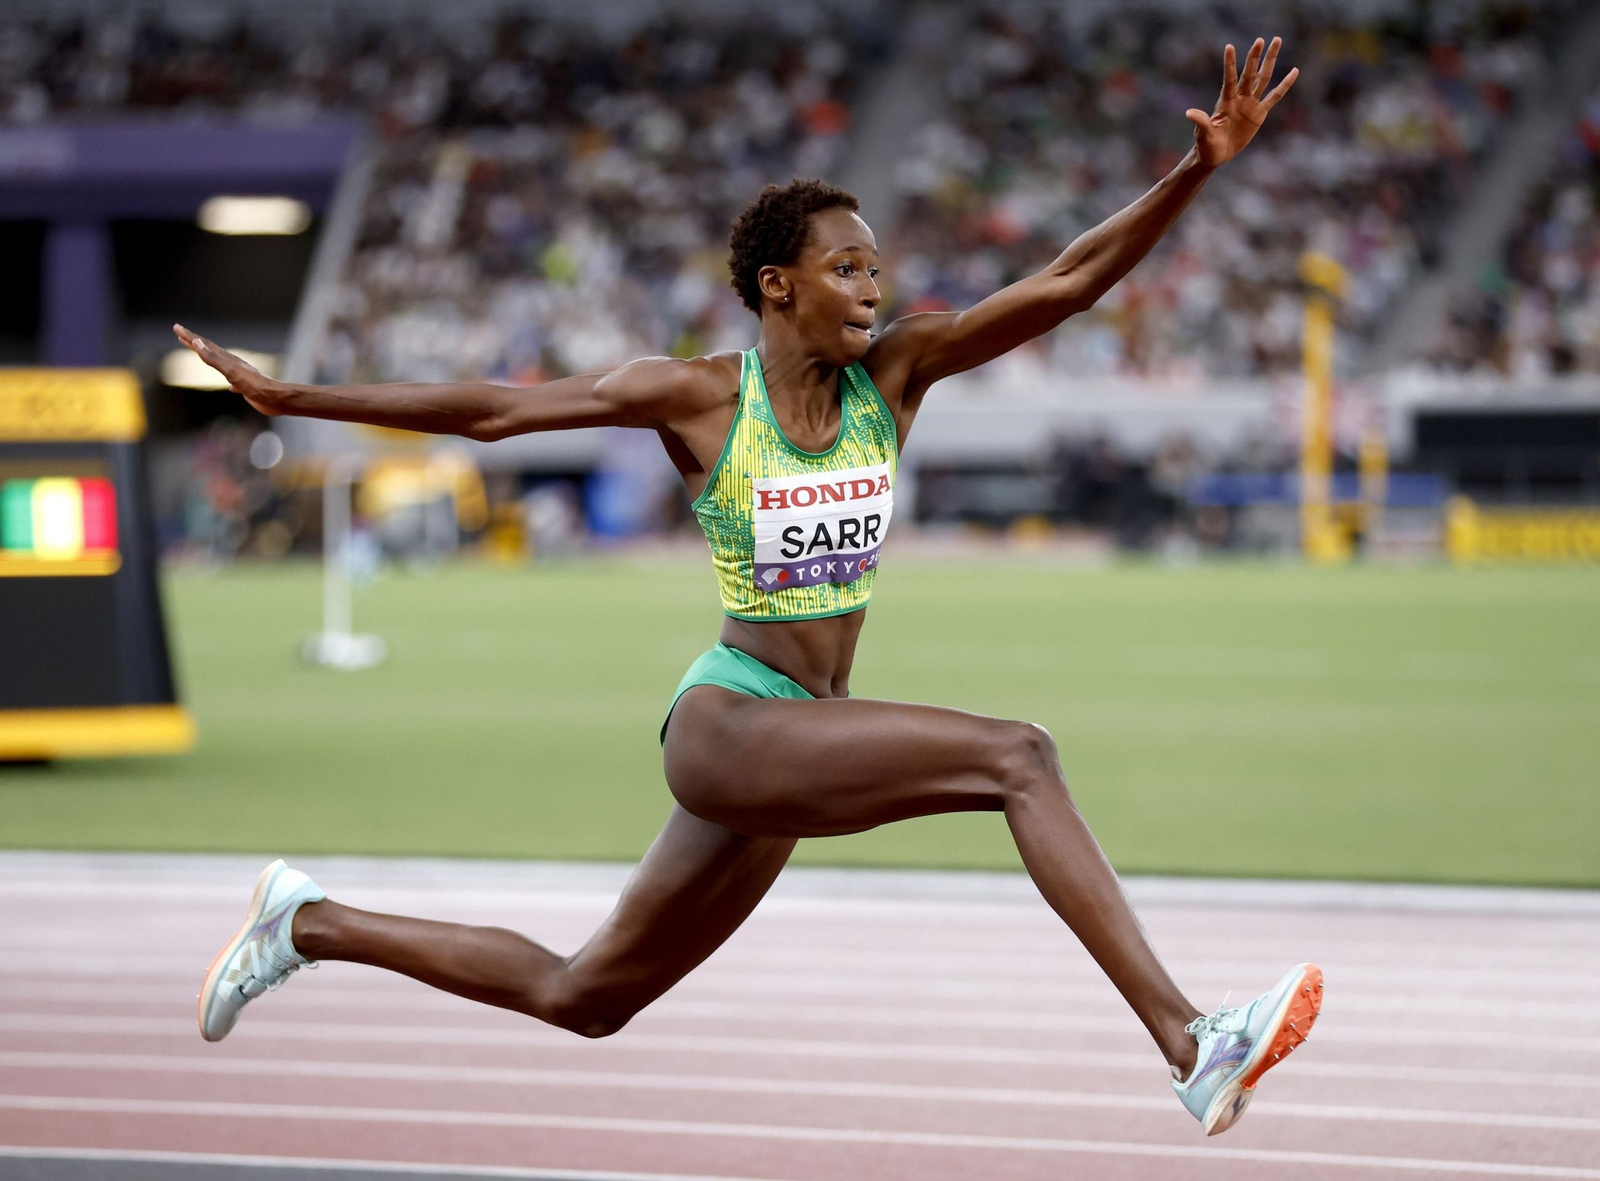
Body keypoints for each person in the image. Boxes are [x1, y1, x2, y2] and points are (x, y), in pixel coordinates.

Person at [184, 38, 1319, 1136]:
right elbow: (495, 409)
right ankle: (1187, 1038)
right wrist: (299, 399)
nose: (872, 286)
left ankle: (307, 922)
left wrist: (1195, 171)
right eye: (845, 267)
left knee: (586, 995)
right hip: (729, 723)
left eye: (876, 265)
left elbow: (1069, 282)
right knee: (1017, 754)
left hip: (802, 734)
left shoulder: (900, 371)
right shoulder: (696, 399)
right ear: (777, 286)